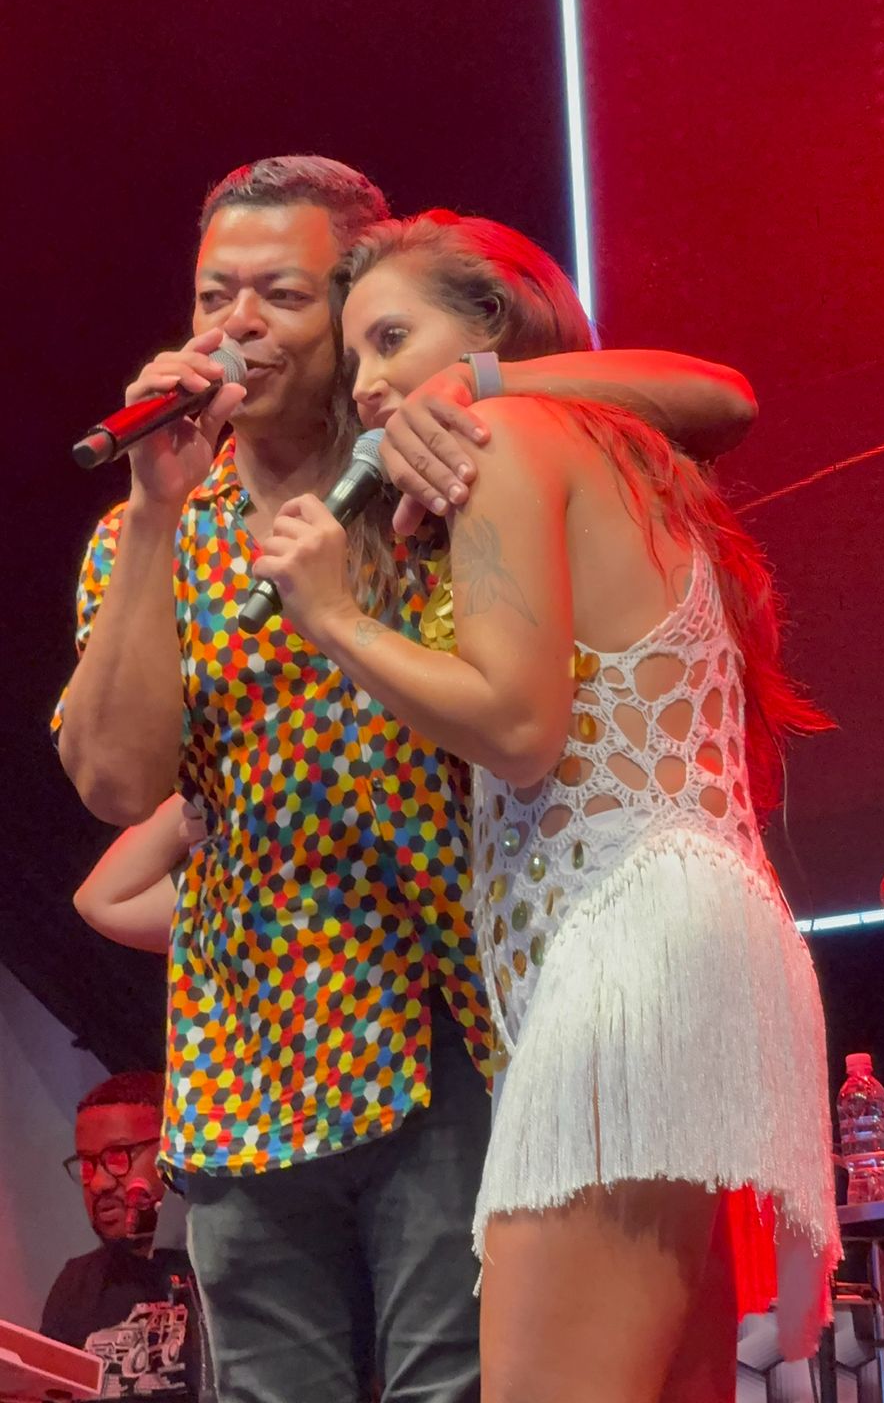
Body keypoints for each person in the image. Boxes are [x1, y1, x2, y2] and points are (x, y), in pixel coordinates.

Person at [54, 153, 758, 1403]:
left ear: (349, 309)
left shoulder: (431, 468)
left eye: (279, 293)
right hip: (242, 1059)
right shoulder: (145, 532)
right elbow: (114, 783)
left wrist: (474, 377)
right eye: (216, 295)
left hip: (445, 1037)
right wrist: (155, 511)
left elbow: (711, 399)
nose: (236, 327)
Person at [250, 210, 842, 1403]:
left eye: (392, 339)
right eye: (355, 355)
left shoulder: (509, 430)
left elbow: (518, 733)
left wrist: (332, 615)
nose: (369, 385)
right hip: (695, 935)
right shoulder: (615, 452)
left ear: (490, 330)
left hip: (628, 953)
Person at [42, 1072, 206, 1402]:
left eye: (118, 1157)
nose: (99, 1183)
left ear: (171, 1152)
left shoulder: (219, 1269)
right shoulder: (75, 1285)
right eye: (87, 1164)